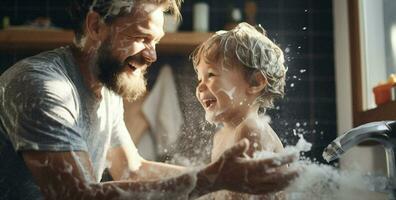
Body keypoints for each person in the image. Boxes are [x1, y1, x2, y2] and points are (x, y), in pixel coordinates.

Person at [0, 1, 298, 199]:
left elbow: (132, 170)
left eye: (155, 42)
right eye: (142, 38)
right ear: (95, 26)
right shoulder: (45, 88)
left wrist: (222, 183)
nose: (151, 55)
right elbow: (76, 196)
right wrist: (214, 179)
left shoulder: (106, 89)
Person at [192, 22, 287, 199]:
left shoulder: (251, 129)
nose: (200, 87)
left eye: (211, 75)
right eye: (199, 79)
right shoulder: (220, 136)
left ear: (255, 83)